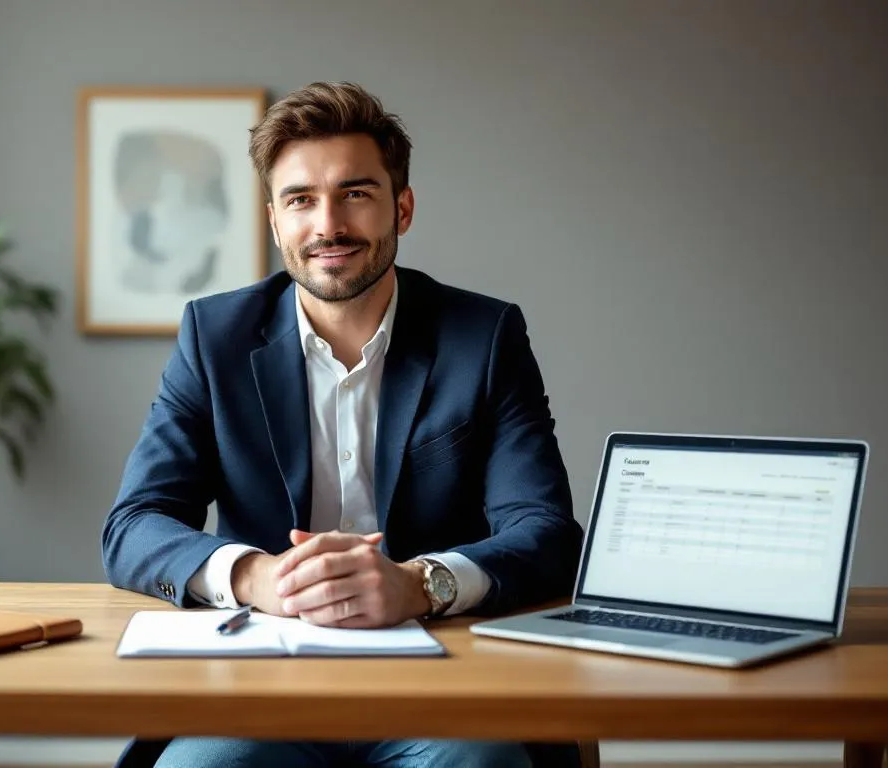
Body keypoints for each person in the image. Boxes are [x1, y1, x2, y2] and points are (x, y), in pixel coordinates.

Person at [101, 81, 585, 768]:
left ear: (403, 208)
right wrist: (256, 578)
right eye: (301, 199)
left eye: (355, 193)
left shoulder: (484, 337)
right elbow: (134, 524)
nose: (328, 225)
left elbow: (546, 531)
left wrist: (421, 583)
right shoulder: (214, 338)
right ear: (274, 222)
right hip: (258, 689)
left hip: (442, 682)